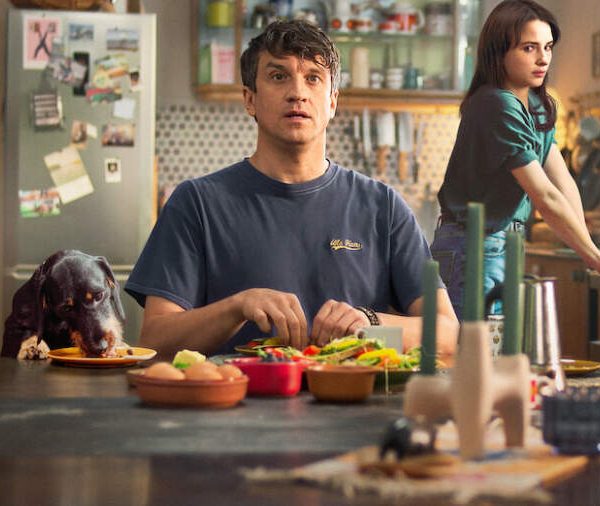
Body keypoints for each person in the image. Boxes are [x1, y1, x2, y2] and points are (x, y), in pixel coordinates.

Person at [125, 20, 458, 358]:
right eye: (278, 76)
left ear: (332, 101)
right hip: (237, 393)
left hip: (353, 392)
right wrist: (237, 307)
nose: (298, 92)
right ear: (250, 99)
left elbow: (447, 335)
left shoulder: (383, 207)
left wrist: (371, 322)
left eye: (313, 78)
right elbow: (154, 341)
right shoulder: (196, 203)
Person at [430, 0, 600, 320]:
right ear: (499, 52)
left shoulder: (537, 105)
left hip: (505, 245)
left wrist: (589, 249)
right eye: (529, 48)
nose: (543, 58)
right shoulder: (495, 104)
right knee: (471, 347)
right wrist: (593, 256)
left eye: (548, 47)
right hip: (471, 248)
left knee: (499, 348)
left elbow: (562, 181)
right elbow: (544, 195)